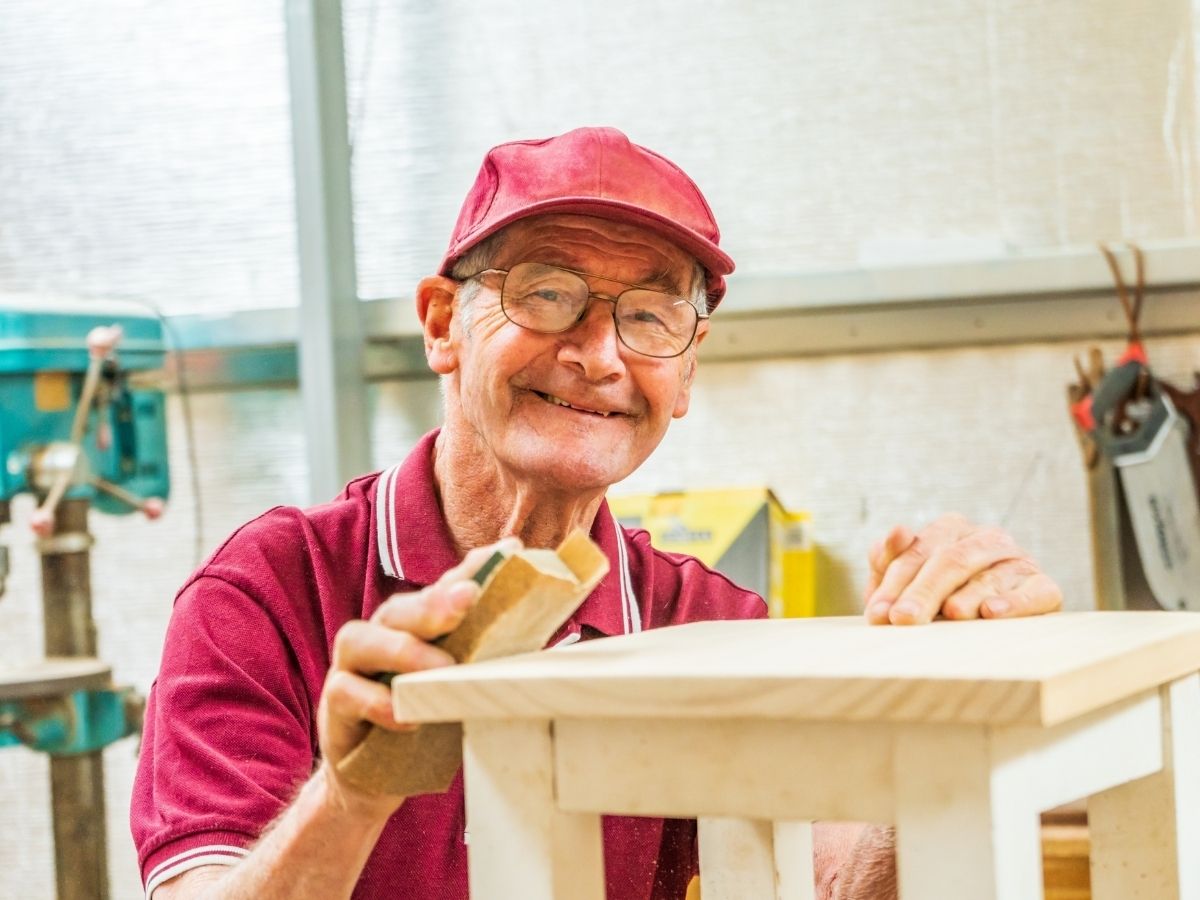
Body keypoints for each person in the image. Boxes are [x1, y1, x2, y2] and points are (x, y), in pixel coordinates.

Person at [132, 126, 1062, 900]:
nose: (599, 353)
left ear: (688, 372)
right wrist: (351, 793)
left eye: (652, 316)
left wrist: (964, 690)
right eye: (547, 292)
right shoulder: (267, 595)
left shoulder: (706, 629)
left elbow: (837, 881)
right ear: (441, 323)